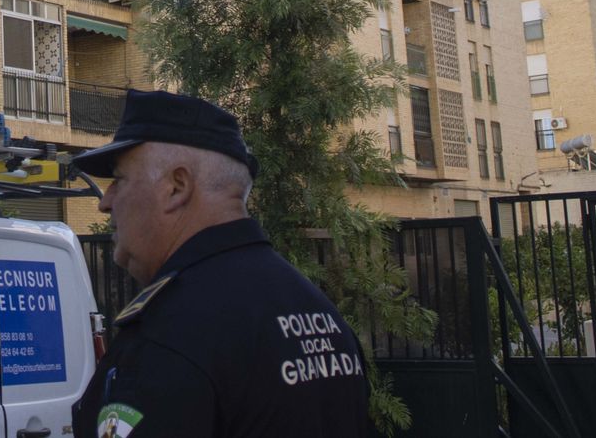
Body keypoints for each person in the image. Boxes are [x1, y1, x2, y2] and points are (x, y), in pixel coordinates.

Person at [70, 89, 371, 438]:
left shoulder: (171, 335)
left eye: (118, 179)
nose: (105, 202)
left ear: (176, 187)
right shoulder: (321, 313)